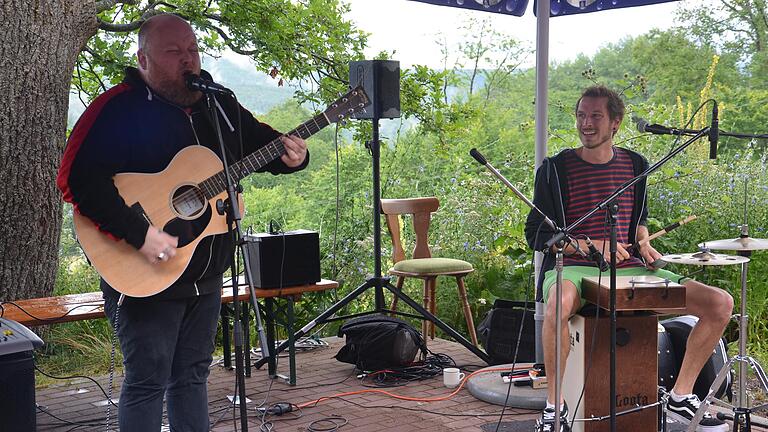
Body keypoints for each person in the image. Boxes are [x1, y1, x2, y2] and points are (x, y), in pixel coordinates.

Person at [57, 14, 309, 431]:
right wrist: (140, 233)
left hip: (206, 272)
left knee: (193, 377)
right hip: (146, 274)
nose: (187, 61)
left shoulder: (218, 104)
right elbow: (80, 182)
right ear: (143, 58)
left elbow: (259, 145)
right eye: (174, 52)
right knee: (147, 383)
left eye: (192, 50)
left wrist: (295, 158)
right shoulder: (118, 108)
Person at [525, 85, 733, 432]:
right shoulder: (554, 169)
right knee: (557, 305)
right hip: (574, 268)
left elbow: (638, 222)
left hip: (629, 268)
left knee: (719, 304)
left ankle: (680, 396)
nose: (585, 123)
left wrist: (643, 242)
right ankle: (554, 410)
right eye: (581, 115)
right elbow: (537, 234)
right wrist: (590, 245)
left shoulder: (636, 165)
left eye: (595, 116)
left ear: (615, 123)